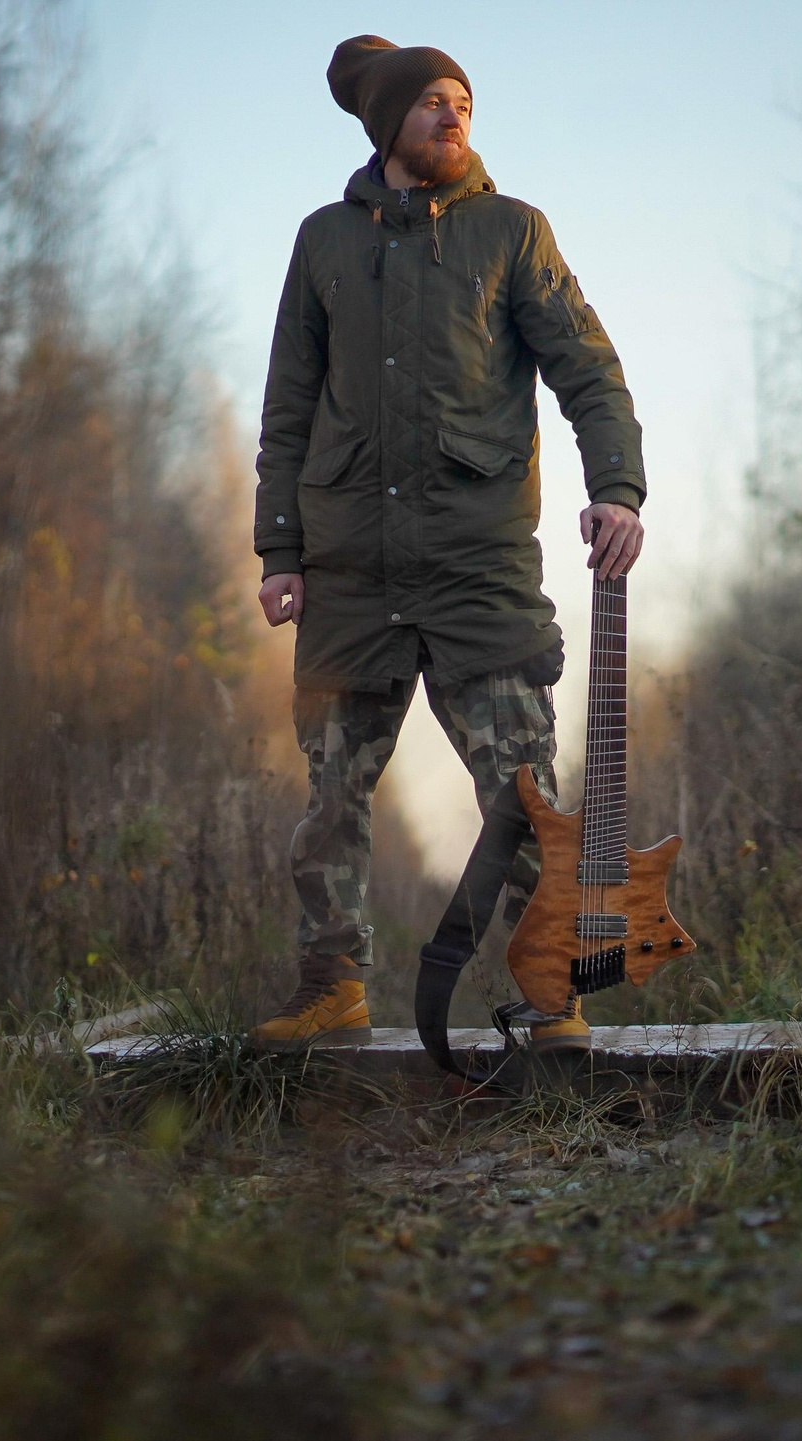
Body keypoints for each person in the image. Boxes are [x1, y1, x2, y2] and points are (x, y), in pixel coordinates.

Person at [247, 35, 647, 1054]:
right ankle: (331, 987)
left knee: (523, 794)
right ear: (389, 122)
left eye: (463, 101)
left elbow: (588, 368)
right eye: (432, 100)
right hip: (349, 569)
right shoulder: (323, 242)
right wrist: (279, 549)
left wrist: (616, 490)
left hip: (480, 566)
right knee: (331, 798)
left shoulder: (513, 232)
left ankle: (554, 993)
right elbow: (289, 404)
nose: (453, 115)